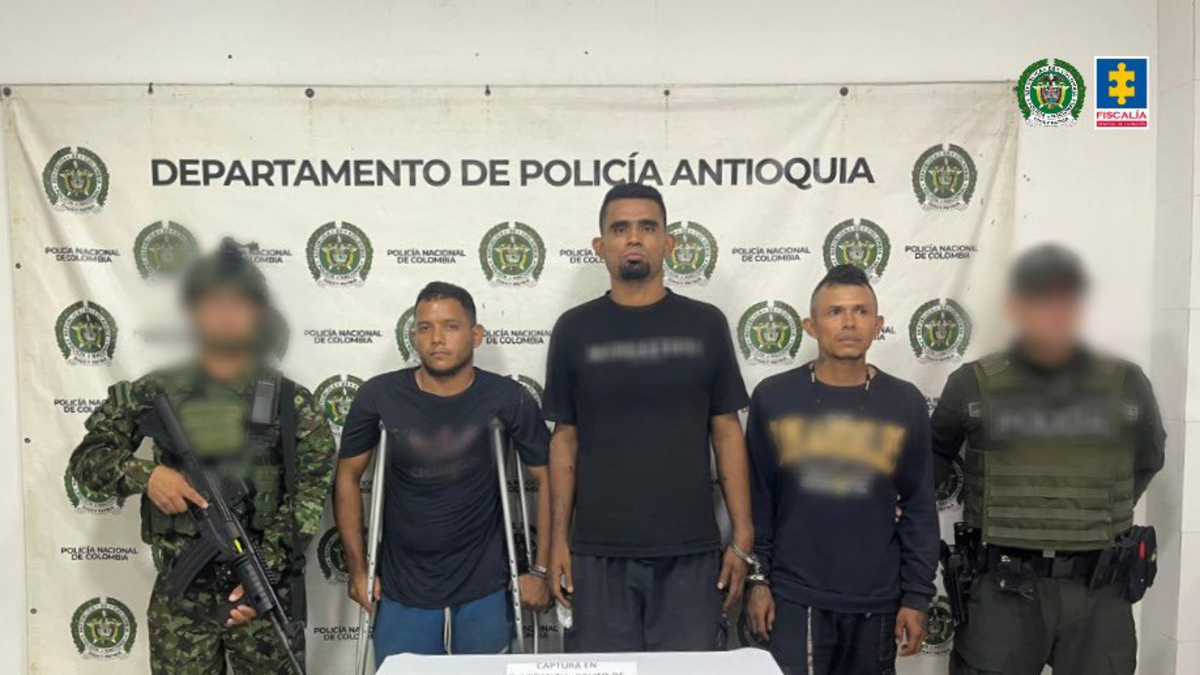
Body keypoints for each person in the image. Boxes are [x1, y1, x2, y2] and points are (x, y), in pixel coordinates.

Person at [67, 239, 336, 674]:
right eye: (213, 302)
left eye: (238, 303)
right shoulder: (155, 391)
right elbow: (88, 458)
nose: (225, 315)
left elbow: (307, 501)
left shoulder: (291, 403)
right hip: (181, 602)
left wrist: (260, 579)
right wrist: (146, 475)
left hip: (262, 599)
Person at [931, 244, 1165, 675]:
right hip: (1002, 592)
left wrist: (1089, 513)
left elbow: (1148, 459)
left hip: (1100, 591)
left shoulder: (1126, 383)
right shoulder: (973, 384)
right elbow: (934, 455)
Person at [544, 183, 754, 652]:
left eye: (647, 227)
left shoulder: (706, 324)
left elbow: (727, 432)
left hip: (690, 554)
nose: (634, 238)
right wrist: (558, 542)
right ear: (600, 246)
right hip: (597, 554)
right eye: (620, 228)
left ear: (668, 242)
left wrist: (743, 535)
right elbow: (564, 441)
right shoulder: (574, 329)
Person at [335, 281, 552, 666]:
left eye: (451, 326)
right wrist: (358, 569)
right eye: (425, 328)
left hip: (485, 585)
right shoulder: (379, 396)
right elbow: (348, 478)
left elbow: (549, 478)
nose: (437, 338)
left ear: (476, 335)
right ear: (414, 336)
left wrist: (541, 569)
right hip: (403, 586)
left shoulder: (507, 398)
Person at [742, 264, 938, 675]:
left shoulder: (904, 403)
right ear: (811, 326)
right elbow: (758, 498)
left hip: (877, 600)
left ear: (877, 324)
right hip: (795, 597)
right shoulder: (774, 397)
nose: (849, 322)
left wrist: (917, 597)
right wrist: (758, 580)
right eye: (835, 312)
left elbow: (919, 507)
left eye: (861, 311)